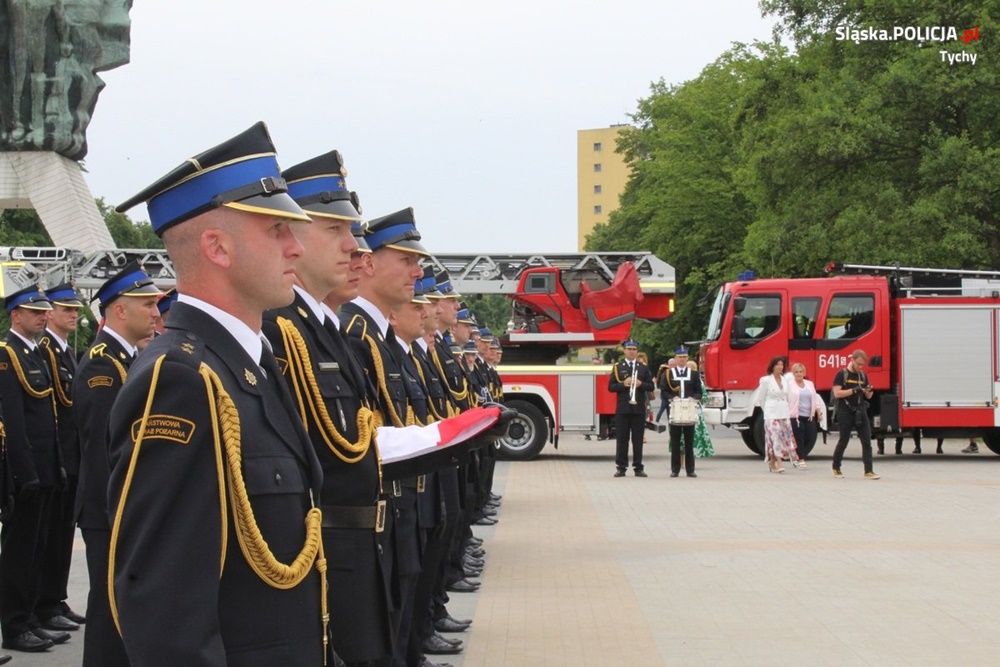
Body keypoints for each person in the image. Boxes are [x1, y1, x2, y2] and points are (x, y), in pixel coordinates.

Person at [108, 122, 330, 665]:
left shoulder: (252, 365)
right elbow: (165, 613)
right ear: (217, 247)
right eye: (277, 229)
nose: (296, 247)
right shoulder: (181, 381)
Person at [72, 261, 161, 667]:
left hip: (123, 507)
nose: (156, 312)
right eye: (146, 304)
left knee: (124, 609)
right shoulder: (102, 367)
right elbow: (100, 451)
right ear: (119, 310)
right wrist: (124, 513)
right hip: (110, 511)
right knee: (109, 614)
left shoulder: (127, 358)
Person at [0, 286, 70, 654]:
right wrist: (23, 474)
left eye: (44, 312)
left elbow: (50, 418)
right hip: (26, 473)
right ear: (16, 316)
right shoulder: (7, 355)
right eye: (34, 312)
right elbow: (13, 421)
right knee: (19, 552)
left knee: (37, 549)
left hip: (45, 469)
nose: (43, 316)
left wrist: (56, 466)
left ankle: (29, 618)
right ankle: (14, 626)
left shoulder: (35, 354)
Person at [36, 283, 87, 633]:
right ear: (49, 312)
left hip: (70, 458)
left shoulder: (67, 351)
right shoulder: (44, 351)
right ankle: (43, 604)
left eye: (75, 309)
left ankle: (55, 599)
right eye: (66, 309)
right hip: (57, 458)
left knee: (61, 536)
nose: (74, 314)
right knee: (48, 537)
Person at [608, 338, 653, 477]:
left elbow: (651, 386)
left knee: (638, 439)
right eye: (629, 349)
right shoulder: (618, 367)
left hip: (638, 408)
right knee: (622, 439)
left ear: (637, 351)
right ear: (624, 350)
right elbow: (611, 387)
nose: (632, 352)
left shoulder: (643, 367)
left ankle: (638, 467)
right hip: (623, 408)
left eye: (634, 349)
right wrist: (623, 384)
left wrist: (641, 384)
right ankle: (621, 467)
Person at [832, 349, 880, 479]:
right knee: (844, 440)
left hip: (860, 410)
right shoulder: (842, 374)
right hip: (845, 411)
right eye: (858, 364)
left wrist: (869, 391)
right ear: (852, 360)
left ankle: (868, 470)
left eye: (862, 365)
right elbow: (837, 393)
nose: (860, 367)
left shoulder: (863, 376)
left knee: (866, 440)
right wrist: (853, 390)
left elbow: (868, 396)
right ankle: (836, 467)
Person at [756, 357, 802, 473]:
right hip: (771, 413)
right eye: (777, 365)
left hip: (783, 412)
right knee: (775, 436)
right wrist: (767, 410)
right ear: (772, 366)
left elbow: (788, 396)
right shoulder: (766, 380)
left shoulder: (785, 380)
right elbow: (761, 398)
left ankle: (772, 462)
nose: (780, 367)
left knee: (784, 437)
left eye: (781, 365)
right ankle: (779, 462)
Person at [664, 346, 701, 477]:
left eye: (684, 357)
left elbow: (698, 391)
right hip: (675, 409)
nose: (682, 359)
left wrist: (694, 398)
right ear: (675, 358)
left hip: (689, 409)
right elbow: (664, 391)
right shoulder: (669, 374)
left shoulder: (694, 374)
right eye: (679, 357)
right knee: (675, 441)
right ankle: (675, 469)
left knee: (689, 441)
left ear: (687, 358)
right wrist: (671, 398)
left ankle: (690, 470)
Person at [787, 362, 823, 466]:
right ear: (793, 373)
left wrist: (819, 412)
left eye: (801, 371)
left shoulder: (809, 384)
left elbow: (814, 399)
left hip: (809, 416)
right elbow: (786, 399)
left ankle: (795, 456)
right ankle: (800, 459)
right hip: (796, 416)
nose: (799, 374)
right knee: (799, 437)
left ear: (804, 373)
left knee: (810, 436)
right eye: (796, 372)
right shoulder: (790, 385)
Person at [687, 360, 715, 458]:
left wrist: (697, 398)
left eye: (691, 368)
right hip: (685, 408)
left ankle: (697, 452)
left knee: (697, 432)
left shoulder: (699, 382)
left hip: (695, 409)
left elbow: (704, 397)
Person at [654, 358, 675, 423]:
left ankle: (669, 423)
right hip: (665, 396)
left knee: (669, 411)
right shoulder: (665, 373)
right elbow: (661, 385)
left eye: (674, 365)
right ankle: (657, 420)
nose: (672, 366)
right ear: (668, 365)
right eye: (671, 365)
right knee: (663, 409)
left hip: (673, 396)